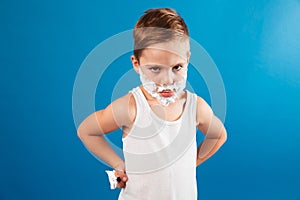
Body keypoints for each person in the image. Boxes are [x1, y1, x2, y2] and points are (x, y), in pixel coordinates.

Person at [77, 8, 227, 200]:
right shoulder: (131, 107)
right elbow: (86, 130)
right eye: (155, 68)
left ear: (187, 60)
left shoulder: (195, 107)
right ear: (136, 64)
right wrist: (118, 165)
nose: (167, 80)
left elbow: (218, 135)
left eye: (177, 67)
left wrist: (192, 162)